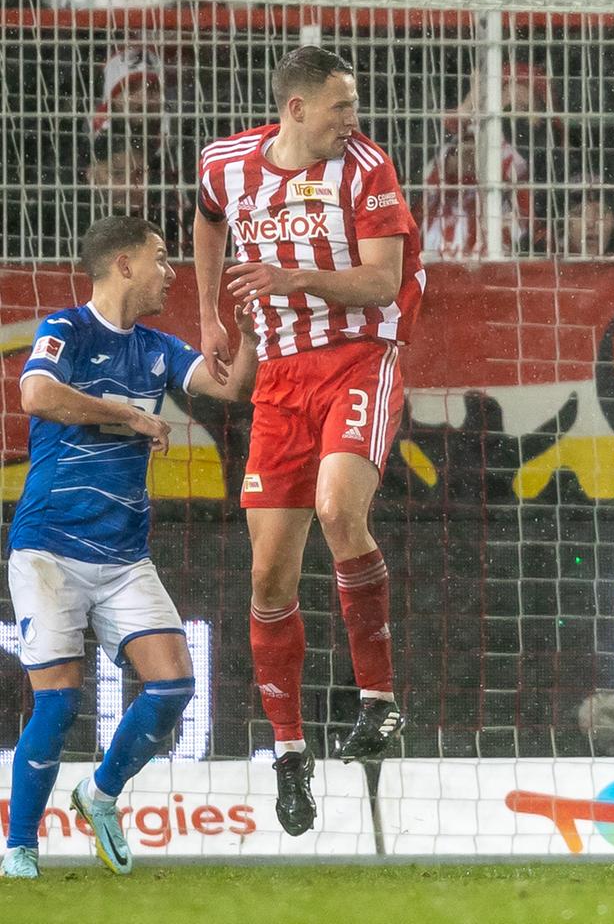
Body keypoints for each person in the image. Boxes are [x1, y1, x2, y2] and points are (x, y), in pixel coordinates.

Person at [193, 45, 426, 836]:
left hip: (361, 356)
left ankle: (380, 700)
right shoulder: (227, 162)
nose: (353, 119)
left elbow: (384, 280)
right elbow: (207, 214)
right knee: (267, 575)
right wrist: (209, 318)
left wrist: (293, 280)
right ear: (295, 110)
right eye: (340, 106)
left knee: (337, 509)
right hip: (281, 381)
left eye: (354, 104)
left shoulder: (366, 168)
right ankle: (290, 754)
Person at [4, 217, 257, 880]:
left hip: (122, 556)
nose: (171, 272)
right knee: (57, 703)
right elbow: (35, 393)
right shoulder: (66, 329)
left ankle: (101, 796)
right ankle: (20, 847)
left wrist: (253, 330)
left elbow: (230, 387)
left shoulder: (158, 347)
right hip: (49, 547)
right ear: (122, 265)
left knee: (174, 684)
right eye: (161, 258)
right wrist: (130, 414)